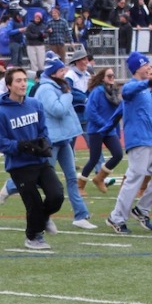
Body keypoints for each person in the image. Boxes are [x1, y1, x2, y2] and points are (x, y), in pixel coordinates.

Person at [0, 65, 64, 250]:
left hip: (40, 161)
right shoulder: (1, 113)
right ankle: (33, 236)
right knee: (33, 203)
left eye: (24, 80)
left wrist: (44, 144)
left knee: (56, 195)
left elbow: (43, 129)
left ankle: (44, 217)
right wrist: (21, 146)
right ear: (9, 85)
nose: (23, 84)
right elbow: (0, 142)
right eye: (18, 80)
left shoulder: (35, 104)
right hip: (19, 165)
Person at [104, 52, 152, 234]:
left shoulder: (148, 90)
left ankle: (141, 209)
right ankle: (116, 218)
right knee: (134, 179)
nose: (149, 67)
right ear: (137, 68)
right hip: (138, 140)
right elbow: (126, 93)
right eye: (145, 64)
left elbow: (151, 115)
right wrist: (150, 83)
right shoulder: (132, 86)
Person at [34, 57, 96, 228]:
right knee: (43, 178)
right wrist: (68, 95)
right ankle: (12, 187)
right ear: (54, 72)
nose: (65, 73)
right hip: (52, 140)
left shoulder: (58, 87)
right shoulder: (46, 89)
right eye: (61, 70)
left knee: (71, 178)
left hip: (63, 139)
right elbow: (58, 110)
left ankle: (81, 215)